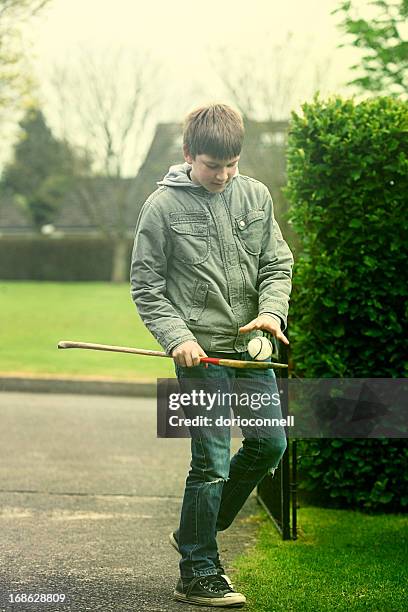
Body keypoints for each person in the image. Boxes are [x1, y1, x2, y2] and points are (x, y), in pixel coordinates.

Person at [130, 104, 294, 607]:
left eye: (232, 165)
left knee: (270, 446)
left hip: (250, 353)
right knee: (212, 462)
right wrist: (177, 337)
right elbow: (147, 284)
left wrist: (271, 313)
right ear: (188, 155)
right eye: (211, 166)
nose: (223, 176)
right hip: (199, 358)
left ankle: (195, 527)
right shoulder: (161, 207)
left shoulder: (256, 196)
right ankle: (198, 571)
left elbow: (277, 262)